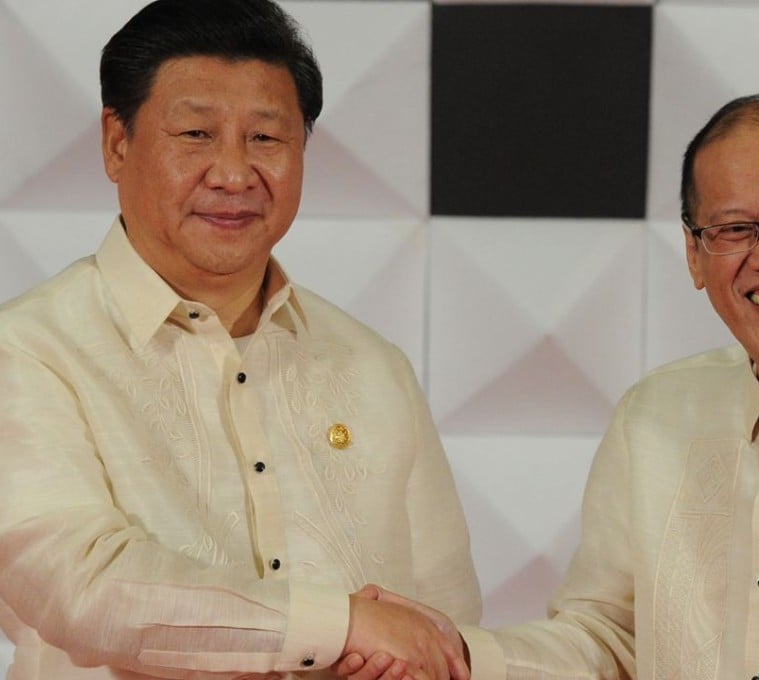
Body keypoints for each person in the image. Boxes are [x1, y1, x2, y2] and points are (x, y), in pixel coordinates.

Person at [360, 94, 759, 679]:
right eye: (734, 229)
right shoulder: (653, 418)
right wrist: (467, 656)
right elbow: (606, 643)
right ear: (694, 254)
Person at [0, 1, 480, 678]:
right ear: (117, 143)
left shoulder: (372, 366)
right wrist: (342, 625)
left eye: (266, 139)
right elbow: (81, 587)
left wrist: (405, 661)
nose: (233, 173)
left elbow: (443, 619)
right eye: (196, 133)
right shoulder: (28, 348)